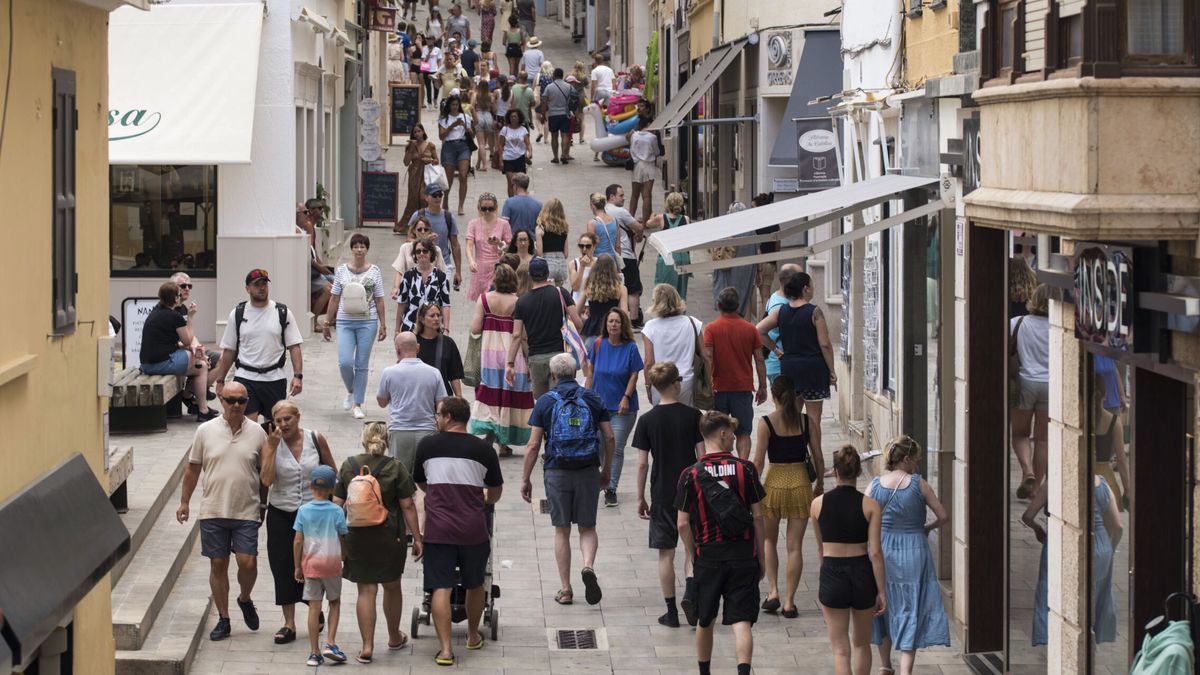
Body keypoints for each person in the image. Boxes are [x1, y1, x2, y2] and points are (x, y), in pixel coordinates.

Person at [675, 410, 767, 675]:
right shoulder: (746, 469)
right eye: (732, 434)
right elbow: (758, 517)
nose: (734, 438)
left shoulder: (690, 474)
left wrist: (693, 556)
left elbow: (682, 523)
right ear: (723, 433)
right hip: (743, 553)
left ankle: (705, 671)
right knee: (742, 622)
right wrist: (761, 556)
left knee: (706, 619)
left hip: (709, 555)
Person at [413, 397, 504, 665]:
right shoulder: (484, 449)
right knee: (475, 584)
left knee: (441, 587)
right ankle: (473, 635)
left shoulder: (427, 445)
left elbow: (420, 482)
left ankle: (445, 650)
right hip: (473, 530)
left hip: (439, 530)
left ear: (450, 417)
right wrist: (483, 501)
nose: (436, 418)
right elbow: (495, 490)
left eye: (438, 414)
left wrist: (440, 495)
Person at [175, 381, 267, 642]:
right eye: (230, 400)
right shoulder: (205, 431)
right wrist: (184, 502)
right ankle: (224, 618)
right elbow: (193, 468)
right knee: (218, 563)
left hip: (246, 507)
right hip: (213, 508)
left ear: (247, 402)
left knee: (247, 561)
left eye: (241, 400)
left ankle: (245, 598)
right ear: (222, 401)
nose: (236, 405)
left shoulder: (258, 432)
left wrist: (263, 504)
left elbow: (265, 474)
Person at [521, 353, 615, 605]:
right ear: (575, 373)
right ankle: (588, 566)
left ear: (552, 375)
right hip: (587, 469)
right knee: (587, 527)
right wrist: (606, 471)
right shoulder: (593, 398)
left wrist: (525, 478)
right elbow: (609, 437)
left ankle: (565, 589)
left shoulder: (545, 401)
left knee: (561, 531)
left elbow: (532, 445)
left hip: (557, 470)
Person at [333, 422, 423, 663]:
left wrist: (335, 538)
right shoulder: (396, 467)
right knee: (392, 586)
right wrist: (417, 537)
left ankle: (367, 646)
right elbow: (407, 505)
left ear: (364, 440)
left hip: (356, 536)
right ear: (387, 441)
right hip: (389, 536)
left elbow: (336, 505)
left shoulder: (349, 465)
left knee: (366, 590)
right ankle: (394, 637)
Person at [868, 436, 950, 675]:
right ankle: (906, 670)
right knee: (910, 607)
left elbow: (864, 516)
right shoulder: (918, 484)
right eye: (916, 460)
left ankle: (885, 665)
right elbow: (944, 515)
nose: (917, 464)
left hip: (883, 549)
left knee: (882, 607)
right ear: (906, 459)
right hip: (915, 549)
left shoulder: (874, 485)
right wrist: (926, 528)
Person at [259, 401, 336, 646]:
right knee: (282, 566)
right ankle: (288, 623)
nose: (283, 425)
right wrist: (271, 448)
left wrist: (331, 506)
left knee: (312, 564)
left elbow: (332, 471)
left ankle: (314, 606)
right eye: (278, 420)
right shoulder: (270, 442)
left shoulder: (315, 438)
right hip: (282, 512)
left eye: (287, 419)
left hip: (313, 513)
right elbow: (266, 480)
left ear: (297, 417)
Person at [633, 361, 703, 627]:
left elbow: (642, 463)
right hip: (690, 493)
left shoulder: (647, 420)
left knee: (666, 553)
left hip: (662, 492)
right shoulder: (693, 416)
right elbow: (702, 457)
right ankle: (691, 595)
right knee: (691, 548)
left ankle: (671, 611)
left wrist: (640, 497)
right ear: (677, 384)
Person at [810, 446, 887, 675]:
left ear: (834, 472)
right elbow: (875, 552)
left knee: (840, 649)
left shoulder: (817, 505)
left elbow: (820, 548)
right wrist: (881, 591)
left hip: (833, 571)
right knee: (862, 644)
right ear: (859, 472)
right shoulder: (871, 506)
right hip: (862, 571)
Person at [752, 376, 821, 619]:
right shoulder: (807, 422)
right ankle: (790, 602)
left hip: (774, 483)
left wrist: (752, 488)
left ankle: (773, 592)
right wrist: (820, 482)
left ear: (773, 396)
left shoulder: (766, 423)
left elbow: (759, 461)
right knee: (795, 547)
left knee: (769, 541)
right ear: (795, 396)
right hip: (801, 482)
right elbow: (818, 456)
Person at [757, 272, 837, 470]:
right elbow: (825, 344)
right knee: (813, 419)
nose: (813, 288)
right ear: (805, 288)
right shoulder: (814, 312)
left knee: (790, 414)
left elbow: (758, 330)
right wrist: (832, 370)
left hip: (790, 368)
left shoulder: (781, 311)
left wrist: (777, 350)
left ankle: (793, 456)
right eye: (812, 285)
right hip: (813, 369)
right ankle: (815, 459)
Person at [211, 269, 304, 422]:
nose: (262, 288)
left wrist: (298, 376)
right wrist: (220, 381)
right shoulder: (238, 313)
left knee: (273, 429)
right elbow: (229, 350)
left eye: (264, 284)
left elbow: (294, 346)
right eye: (257, 285)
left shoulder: (282, 312)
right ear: (248, 288)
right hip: (245, 378)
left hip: (275, 378)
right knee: (248, 427)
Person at [468, 265, 533, 455]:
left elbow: (475, 328)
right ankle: (503, 441)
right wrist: (528, 360)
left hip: (490, 353)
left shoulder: (484, 300)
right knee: (509, 394)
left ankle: (492, 432)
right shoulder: (519, 302)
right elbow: (523, 335)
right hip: (513, 355)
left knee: (490, 393)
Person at [323, 233, 388, 420]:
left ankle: (358, 403)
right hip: (345, 321)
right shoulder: (342, 270)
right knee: (345, 362)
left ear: (367, 249)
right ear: (351, 249)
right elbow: (334, 297)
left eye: (362, 246)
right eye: (356, 246)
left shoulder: (374, 271)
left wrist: (383, 324)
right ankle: (351, 390)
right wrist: (328, 322)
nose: (359, 250)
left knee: (361, 364)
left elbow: (379, 299)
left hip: (367, 322)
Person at [584, 307, 643, 507]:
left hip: (622, 408)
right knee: (601, 446)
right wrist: (586, 397)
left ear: (623, 324)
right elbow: (590, 372)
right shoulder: (598, 344)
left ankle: (611, 488)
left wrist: (626, 397)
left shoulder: (631, 348)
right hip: (599, 407)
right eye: (611, 321)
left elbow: (635, 374)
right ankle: (604, 476)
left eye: (617, 321)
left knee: (615, 446)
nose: (614, 325)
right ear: (606, 324)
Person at [291, 465, 349, 666]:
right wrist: (344, 554)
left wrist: (298, 566)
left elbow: (298, 540)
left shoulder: (303, 511)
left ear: (310, 485)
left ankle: (314, 652)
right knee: (335, 602)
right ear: (333, 488)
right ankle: (330, 643)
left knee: (314, 607)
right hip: (332, 564)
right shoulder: (337, 511)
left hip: (311, 565)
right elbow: (342, 535)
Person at [505, 257, 584, 398]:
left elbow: (518, 335)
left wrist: (510, 364)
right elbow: (578, 324)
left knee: (543, 403)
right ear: (548, 274)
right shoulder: (561, 293)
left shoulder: (522, 301)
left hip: (536, 358)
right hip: (559, 356)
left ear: (530, 275)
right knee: (560, 401)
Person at [703, 287, 767, 458]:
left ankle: (722, 464)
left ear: (718, 305)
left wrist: (707, 385)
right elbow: (759, 359)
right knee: (743, 432)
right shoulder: (750, 329)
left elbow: (708, 357)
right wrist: (763, 386)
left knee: (719, 431)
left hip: (718, 388)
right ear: (739, 305)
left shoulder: (711, 329)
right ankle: (743, 465)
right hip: (742, 388)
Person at [139, 281, 217, 421]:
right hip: (160, 364)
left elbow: (167, 341)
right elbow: (188, 340)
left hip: (147, 364)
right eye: (179, 294)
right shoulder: (174, 316)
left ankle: (194, 401)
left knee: (197, 359)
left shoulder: (156, 311)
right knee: (201, 365)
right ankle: (202, 409)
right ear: (175, 299)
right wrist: (190, 317)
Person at [378, 332, 447, 471]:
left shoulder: (389, 372)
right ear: (418, 347)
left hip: (400, 431)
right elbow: (442, 403)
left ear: (397, 349)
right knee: (426, 474)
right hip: (427, 430)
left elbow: (382, 402)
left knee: (399, 476)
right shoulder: (434, 372)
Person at [1011, 284, 1050, 498]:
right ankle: (1035, 490)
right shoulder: (1058, 327)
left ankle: (1027, 471)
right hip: (1050, 386)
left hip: (1024, 383)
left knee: (1020, 433)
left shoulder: (1018, 323)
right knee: (1042, 440)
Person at [641, 284, 702, 406]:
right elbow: (705, 354)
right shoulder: (692, 323)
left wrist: (648, 385)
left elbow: (649, 362)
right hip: (686, 381)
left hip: (660, 382)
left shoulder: (650, 327)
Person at [405, 186, 463, 290]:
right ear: (426, 197)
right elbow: (409, 238)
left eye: (440, 195)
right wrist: (425, 240)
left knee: (439, 298)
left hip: (443, 264)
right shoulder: (418, 215)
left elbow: (455, 245)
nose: (438, 198)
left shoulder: (448, 217)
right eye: (434, 195)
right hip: (420, 264)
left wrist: (458, 271)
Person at [604, 184, 646, 327]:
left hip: (608, 255)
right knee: (633, 289)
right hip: (626, 255)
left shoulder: (602, 211)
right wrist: (639, 234)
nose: (624, 198)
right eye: (621, 195)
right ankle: (634, 320)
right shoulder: (621, 212)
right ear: (612, 197)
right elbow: (639, 227)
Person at [396, 235, 452, 334]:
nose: (421, 253)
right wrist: (397, 330)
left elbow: (445, 304)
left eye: (425, 251)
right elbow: (401, 303)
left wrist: (446, 329)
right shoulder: (408, 276)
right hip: (410, 326)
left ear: (431, 253)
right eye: (418, 251)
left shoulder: (441, 276)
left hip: (433, 328)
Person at [466, 192, 512, 301]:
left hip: (498, 267)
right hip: (480, 268)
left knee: (494, 300)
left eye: (490, 208)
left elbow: (510, 248)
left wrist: (499, 243)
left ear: (495, 208)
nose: (487, 211)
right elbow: (469, 245)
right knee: (481, 303)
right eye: (484, 208)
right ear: (479, 208)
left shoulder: (503, 224)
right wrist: (471, 261)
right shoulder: (473, 224)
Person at [762, 263, 803, 383]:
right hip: (780, 366)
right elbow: (759, 331)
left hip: (780, 364)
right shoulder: (780, 306)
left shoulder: (777, 297)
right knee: (789, 402)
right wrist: (776, 350)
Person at [646, 192, 691, 299]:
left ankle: (665, 311)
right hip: (683, 256)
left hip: (667, 257)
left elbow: (648, 224)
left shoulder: (661, 218)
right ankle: (680, 313)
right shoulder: (686, 219)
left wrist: (652, 215)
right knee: (681, 291)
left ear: (667, 205)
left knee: (664, 290)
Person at [415, 303, 465, 396]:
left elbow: (454, 376)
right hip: (419, 396)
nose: (436, 319)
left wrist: (459, 398)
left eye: (438, 315)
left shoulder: (448, 343)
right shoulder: (413, 342)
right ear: (422, 319)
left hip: (443, 397)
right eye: (432, 315)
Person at [438, 95, 473, 216]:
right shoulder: (444, 119)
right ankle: (446, 198)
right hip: (449, 147)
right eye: (452, 105)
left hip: (463, 146)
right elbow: (441, 136)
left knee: (463, 176)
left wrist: (466, 128)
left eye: (456, 105)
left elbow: (472, 135)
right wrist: (452, 126)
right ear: (449, 106)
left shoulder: (466, 117)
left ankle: (461, 205)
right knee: (449, 177)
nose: (455, 107)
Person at [400, 124, 439, 231]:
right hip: (414, 175)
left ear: (423, 132)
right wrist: (410, 150)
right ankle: (410, 226)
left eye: (419, 131)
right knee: (413, 199)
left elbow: (437, 161)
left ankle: (426, 223)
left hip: (426, 175)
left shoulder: (430, 145)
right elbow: (406, 162)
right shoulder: (411, 146)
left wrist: (430, 160)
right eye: (415, 132)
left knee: (424, 198)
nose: (417, 134)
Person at [580, 254, 627, 342]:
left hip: (591, 330)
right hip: (612, 331)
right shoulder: (621, 288)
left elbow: (577, 310)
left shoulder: (590, 286)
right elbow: (624, 314)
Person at [538, 67, 574, 164]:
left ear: (554, 75)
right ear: (562, 75)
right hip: (565, 114)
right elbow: (573, 100)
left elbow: (544, 102)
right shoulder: (569, 86)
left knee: (554, 136)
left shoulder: (549, 87)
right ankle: (563, 154)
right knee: (565, 135)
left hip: (553, 115)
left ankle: (555, 157)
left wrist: (543, 114)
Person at [627, 117, 660, 221]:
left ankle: (630, 220)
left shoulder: (634, 136)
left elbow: (630, 146)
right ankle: (645, 222)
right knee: (647, 196)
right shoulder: (652, 137)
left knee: (634, 195)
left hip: (637, 166)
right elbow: (657, 152)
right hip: (649, 166)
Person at [535, 197, 570, 285]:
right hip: (561, 263)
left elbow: (540, 254)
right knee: (560, 293)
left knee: (549, 293)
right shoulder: (564, 228)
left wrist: (535, 246)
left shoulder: (541, 227)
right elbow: (566, 254)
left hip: (548, 262)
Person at [500, 172, 542, 236]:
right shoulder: (538, 204)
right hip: (532, 241)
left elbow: (504, 225)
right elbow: (540, 225)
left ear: (515, 186)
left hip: (515, 241)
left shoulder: (509, 203)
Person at [586, 192, 621, 263]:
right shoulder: (615, 221)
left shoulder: (592, 223)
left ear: (593, 206)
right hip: (612, 260)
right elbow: (618, 246)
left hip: (598, 261)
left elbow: (590, 247)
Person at [569, 233, 598, 305]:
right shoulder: (574, 263)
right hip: (577, 303)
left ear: (594, 247)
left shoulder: (599, 263)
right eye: (581, 246)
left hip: (593, 303)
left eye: (588, 246)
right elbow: (575, 287)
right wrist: (582, 267)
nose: (584, 249)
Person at [471, 80, 494, 169]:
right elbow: (494, 109)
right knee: (483, 143)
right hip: (488, 117)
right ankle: (478, 163)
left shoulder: (475, 95)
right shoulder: (490, 95)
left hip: (478, 116)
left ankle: (484, 165)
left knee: (481, 143)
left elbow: (472, 106)